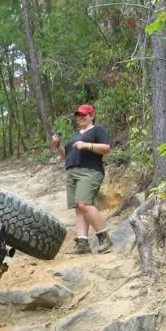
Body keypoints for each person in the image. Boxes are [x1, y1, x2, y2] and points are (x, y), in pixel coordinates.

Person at [52, 104, 113, 255]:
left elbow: (107, 148)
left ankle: (104, 238)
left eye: (84, 115)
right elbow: (66, 156)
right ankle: (82, 243)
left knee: (84, 204)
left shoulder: (98, 130)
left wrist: (87, 145)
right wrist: (58, 147)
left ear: (92, 115)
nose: (80, 118)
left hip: (89, 171)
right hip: (72, 172)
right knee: (78, 208)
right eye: (78, 116)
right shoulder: (75, 135)